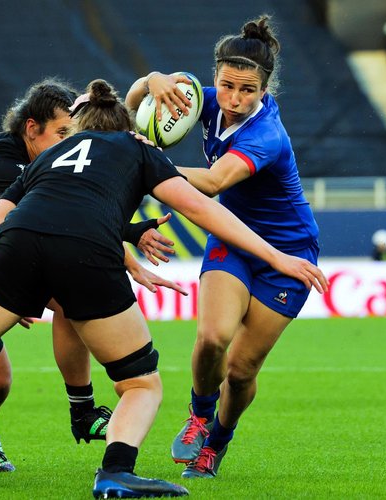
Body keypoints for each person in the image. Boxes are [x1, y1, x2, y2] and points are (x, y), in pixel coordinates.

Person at [0, 78, 326, 499]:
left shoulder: (45, 158)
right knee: (140, 384)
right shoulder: (137, 149)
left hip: (14, 249)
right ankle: (115, 473)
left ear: (81, 126)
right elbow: (204, 209)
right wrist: (278, 256)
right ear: (128, 128)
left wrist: (12, 293)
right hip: (86, 254)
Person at [0, 78, 182, 472]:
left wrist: (132, 234)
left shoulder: (44, 159)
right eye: (63, 133)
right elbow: (56, 211)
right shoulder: (3, 163)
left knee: (69, 300)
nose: (73, 141)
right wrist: (132, 236)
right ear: (32, 129)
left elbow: (66, 211)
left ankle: (81, 410)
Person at [125, 14, 323, 479]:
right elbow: (133, 107)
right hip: (232, 237)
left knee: (241, 369)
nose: (234, 99)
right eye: (227, 86)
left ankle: (217, 441)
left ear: (264, 90)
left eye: (247, 91)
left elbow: (214, 182)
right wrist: (151, 81)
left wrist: (148, 164)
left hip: (288, 254)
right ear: (214, 76)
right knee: (213, 337)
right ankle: (199, 415)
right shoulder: (206, 100)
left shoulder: (267, 134)